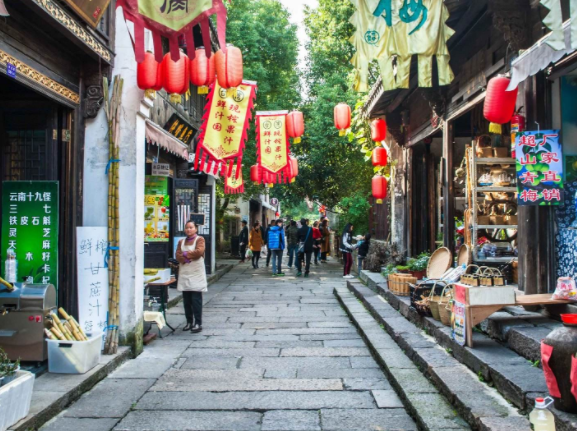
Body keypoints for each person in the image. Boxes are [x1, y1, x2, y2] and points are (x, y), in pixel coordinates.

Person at [176, 221, 207, 333]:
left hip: (196, 273)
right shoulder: (181, 241)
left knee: (196, 299)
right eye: (187, 227)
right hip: (185, 273)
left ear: (195, 229)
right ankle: (189, 322)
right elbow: (178, 255)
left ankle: (198, 323)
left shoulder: (200, 240)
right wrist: (186, 257)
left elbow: (199, 252)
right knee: (186, 300)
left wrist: (185, 254)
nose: (189, 229)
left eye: (191, 227)